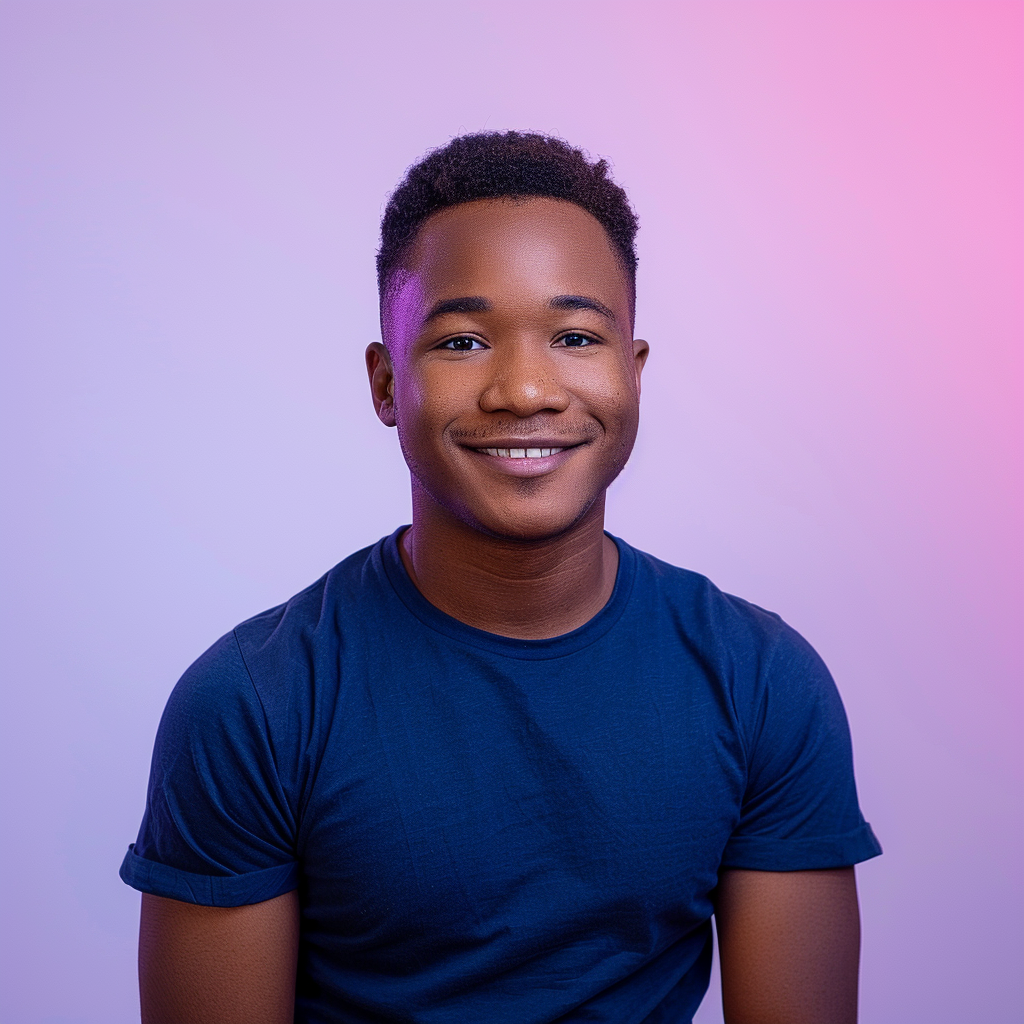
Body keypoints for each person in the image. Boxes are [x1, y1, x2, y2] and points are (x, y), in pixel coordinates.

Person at [120, 131, 881, 1024]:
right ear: (385, 382)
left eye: (573, 335)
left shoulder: (761, 682)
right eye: (463, 341)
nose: (525, 390)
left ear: (632, 375)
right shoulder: (254, 703)